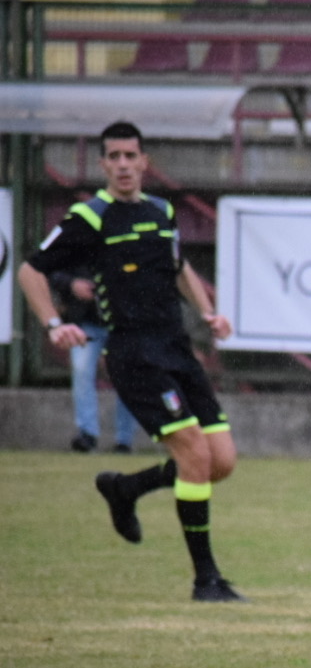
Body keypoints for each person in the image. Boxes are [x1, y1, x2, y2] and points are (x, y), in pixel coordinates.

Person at [18, 121, 246, 603]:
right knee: (195, 456)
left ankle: (126, 489)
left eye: (131, 155)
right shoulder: (91, 217)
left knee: (220, 461)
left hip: (176, 348)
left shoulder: (162, 211)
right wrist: (53, 323)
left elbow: (178, 265)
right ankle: (206, 580)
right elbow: (30, 269)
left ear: (144, 161)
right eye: (114, 156)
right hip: (133, 353)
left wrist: (207, 311)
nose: (123, 164)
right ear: (103, 164)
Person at [50, 266, 139, 454]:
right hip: (85, 320)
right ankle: (87, 434)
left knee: (128, 377)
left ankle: (124, 440)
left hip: (124, 321)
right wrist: (72, 284)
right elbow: (48, 267)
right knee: (82, 370)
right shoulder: (79, 238)